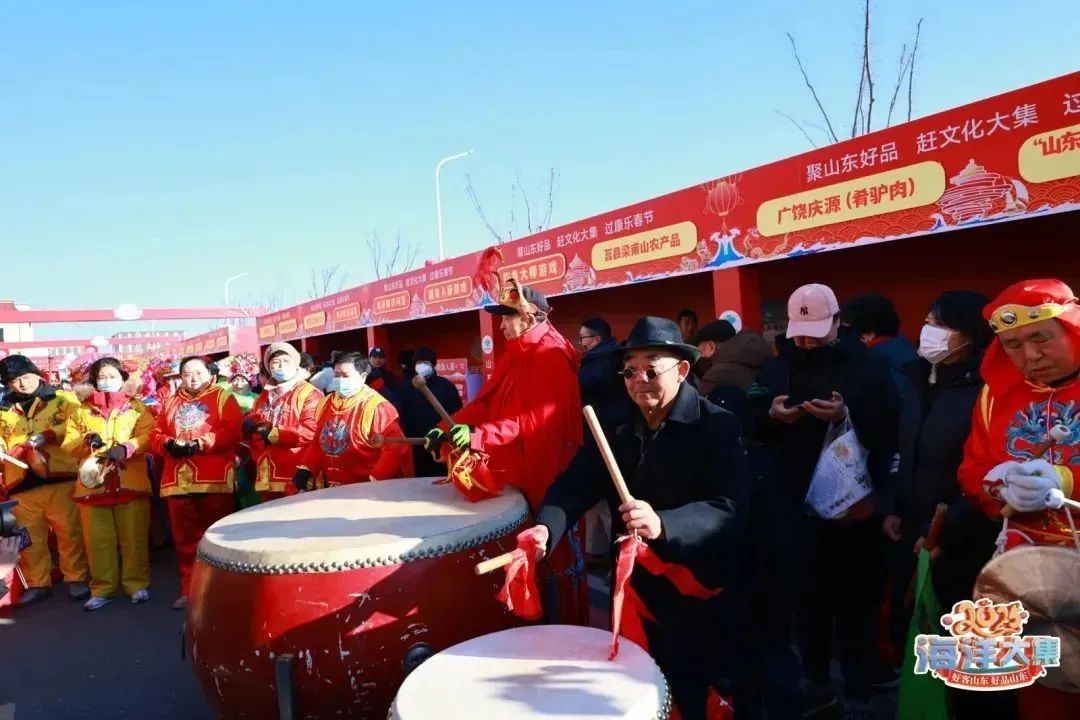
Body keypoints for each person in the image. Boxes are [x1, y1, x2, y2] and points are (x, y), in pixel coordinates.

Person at [532, 316, 746, 719]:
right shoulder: (614, 428)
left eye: (652, 368)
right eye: (630, 371)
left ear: (682, 370)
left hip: (696, 587)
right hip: (636, 587)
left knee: (696, 688)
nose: (639, 380)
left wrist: (664, 523)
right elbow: (574, 486)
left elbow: (729, 506)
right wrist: (547, 526)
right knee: (640, 685)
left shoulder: (715, 426)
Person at [754, 283, 899, 719]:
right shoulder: (778, 367)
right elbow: (753, 418)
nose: (806, 341)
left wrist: (846, 417)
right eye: (800, 332)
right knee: (806, 603)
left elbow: (890, 432)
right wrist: (771, 415)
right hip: (795, 507)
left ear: (838, 322)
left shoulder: (868, 368)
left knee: (856, 604)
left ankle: (858, 688)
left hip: (854, 510)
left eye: (816, 330)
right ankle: (815, 683)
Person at [426, 277, 588, 625]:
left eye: (506, 317)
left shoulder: (550, 355)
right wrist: (444, 430)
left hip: (546, 474)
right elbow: (485, 405)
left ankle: (562, 629)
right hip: (519, 469)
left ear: (530, 317)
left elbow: (535, 424)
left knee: (550, 559)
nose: (500, 325)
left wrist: (477, 437)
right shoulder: (515, 354)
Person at [957, 278, 1080, 718]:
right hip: (1027, 587)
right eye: (1012, 346)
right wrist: (998, 482)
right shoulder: (995, 396)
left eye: (1040, 338)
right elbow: (972, 469)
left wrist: (1067, 481)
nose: (1029, 357)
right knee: (1043, 696)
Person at [63, 357, 155, 611]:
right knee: (97, 540)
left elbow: (149, 435)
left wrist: (127, 448)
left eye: (111, 376)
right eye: (101, 376)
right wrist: (85, 440)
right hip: (93, 484)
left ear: (123, 378)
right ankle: (102, 588)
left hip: (130, 480)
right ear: (93, 381)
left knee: (134, 537)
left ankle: (136, 584)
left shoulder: (137, 407)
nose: (106, 381)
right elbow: (68, 445)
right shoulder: (81, 410)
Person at [150, 355, 242, 610]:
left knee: (217, 537)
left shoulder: (223, 397)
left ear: (209, 374)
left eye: (199, 373)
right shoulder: (170, 401)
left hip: (213, 477)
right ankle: (189, 589)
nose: (193, 378)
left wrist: (200, 443)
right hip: (177, 480)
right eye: (188, 373)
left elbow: (232, 431)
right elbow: (155, 433)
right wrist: (167, 444)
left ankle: (220, 589)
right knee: (185, 540)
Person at [0, 355, 90, 607]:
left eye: (26, 377)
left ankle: (76, 578)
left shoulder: (62, 399)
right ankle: (38, 582)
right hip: (20, 481)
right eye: (14, 381)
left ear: (38, 374)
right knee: (29, 537)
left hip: (59, 477)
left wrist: (49, 434)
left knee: (69, 532)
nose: (22, 384)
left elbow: (79, 426)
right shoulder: (3, 409)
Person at [292, 351, 410, 490]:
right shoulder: (325, 403)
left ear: (363, 377)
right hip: (332, 488)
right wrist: (305, 469)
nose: (340, 380)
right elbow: (319, 442)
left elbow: (395, 449)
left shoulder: (377, 407)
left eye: (345, 375)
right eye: (336, 375)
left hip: (368, 489)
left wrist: (373, 480)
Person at [246, 343, 323, 502]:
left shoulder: (310, 394)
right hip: (266, 477)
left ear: (296, 365)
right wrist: (249, 427)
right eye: (275, 362)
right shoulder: (263, 396)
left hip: (297, 475)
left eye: (286, 361)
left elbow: (311, 431)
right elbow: (256, 425)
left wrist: (274, 435)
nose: (280, 366)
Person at [397, 347, 463, 478]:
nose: (421, 366)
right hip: (415, 444)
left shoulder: (445, 386)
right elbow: (400, 414)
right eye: (418, 362)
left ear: (433, 365)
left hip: (440, 443)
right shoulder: (405, 387)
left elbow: (456, 413)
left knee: (440, 478)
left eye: (426, 363)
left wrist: (445, 435)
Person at [577, 317, 628, 431]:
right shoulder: (608, 355)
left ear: (596, 340)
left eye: (582, 338)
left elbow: (582, 386)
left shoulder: (604, 361)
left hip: (606, 424)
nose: (580, 343)